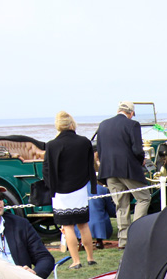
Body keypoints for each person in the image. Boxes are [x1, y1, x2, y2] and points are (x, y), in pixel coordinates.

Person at [43, 111, 96, 268]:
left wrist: (50, 185)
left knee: (68, 227)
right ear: (72, 123)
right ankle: (90, 257)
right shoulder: (84, 142)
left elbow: (46, 169)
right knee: (83, 225)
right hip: (79, 187)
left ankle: (76, 261)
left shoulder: (52, 145)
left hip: (60, 190)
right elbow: (90, 165)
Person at [96, 101, 151, 248]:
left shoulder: (103, 125)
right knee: (144, 198)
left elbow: (99, 150)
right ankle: (137, 233)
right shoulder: (132, 125)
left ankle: (123, 240)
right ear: (131, 113)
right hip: (128, 169)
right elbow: (138, 150)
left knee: (121, 204)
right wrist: (141, 162)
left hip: (109, 169)